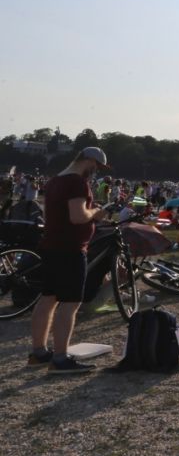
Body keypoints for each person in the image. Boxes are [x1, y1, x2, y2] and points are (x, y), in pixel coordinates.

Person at [29, 147, 111, 373]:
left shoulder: (56, 180)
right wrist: (95, 212)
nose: (96, 172)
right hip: (70, 249)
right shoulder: (77, 182)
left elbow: (49, 215)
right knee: (71, 303)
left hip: (51, 245)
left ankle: (38, 352)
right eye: (97, 167)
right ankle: (60, 359)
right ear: (90, 161)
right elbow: (77, 216)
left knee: (48, 298)